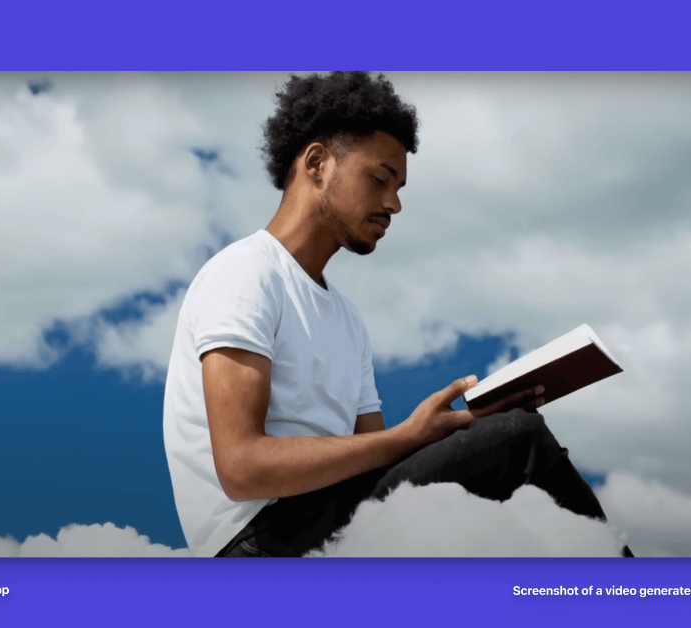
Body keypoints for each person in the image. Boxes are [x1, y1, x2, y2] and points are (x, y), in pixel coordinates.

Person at [163, 71, 624, 557]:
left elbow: (378, 462)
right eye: (380, 179)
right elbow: (241, 468)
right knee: (519, 440)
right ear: (317, 163)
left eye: (398, 187)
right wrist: (425, 437)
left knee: (499, 457)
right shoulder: (244, 273)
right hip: (255, 544)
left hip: (329, 517)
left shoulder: (347, 318)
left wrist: (460, 429)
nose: (394, 204)